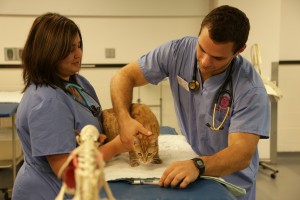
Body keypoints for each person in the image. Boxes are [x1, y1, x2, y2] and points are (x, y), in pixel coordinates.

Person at [110, 5, 270, 200]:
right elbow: (123, 77)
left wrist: (198, 165)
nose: (204, 61)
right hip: (193, 170)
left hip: (229, 184)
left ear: (239, 51)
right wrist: (124, 119)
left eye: (217, 57)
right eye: (202, 48)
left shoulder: (250, 89)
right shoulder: (178, 52)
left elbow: (241, 154)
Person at [12, 13, 127, 200]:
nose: (79, 54)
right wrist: (116, 146)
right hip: (48, 192)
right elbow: (66, 170)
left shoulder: (77, 82)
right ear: (49, 52)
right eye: (70, 48)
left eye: (79, 45)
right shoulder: (47, 101)